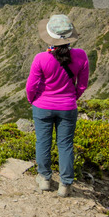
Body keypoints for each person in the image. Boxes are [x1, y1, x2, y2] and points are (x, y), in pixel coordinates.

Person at [26, 14, 89, 197]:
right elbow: (82, 84)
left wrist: (33, 100)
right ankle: (65, 185)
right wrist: (72, 97)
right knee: (65, 145)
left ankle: (45, 179)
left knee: (43, 142)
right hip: (68, 107)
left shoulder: (41, 58)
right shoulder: (81, 55)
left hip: (42, 106)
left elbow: (31, 86)